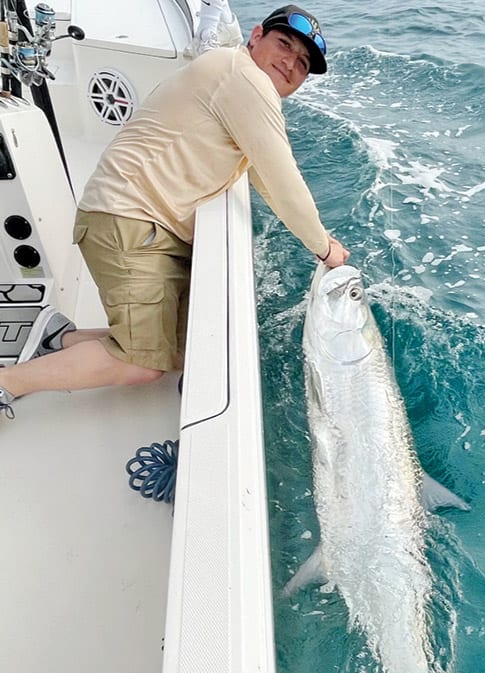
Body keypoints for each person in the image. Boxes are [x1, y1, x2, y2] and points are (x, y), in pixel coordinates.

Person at [0, 4, 349, 420]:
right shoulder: (244, 79)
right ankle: (9, 382)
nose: (291, 62)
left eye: (303, 62)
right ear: (255, 36)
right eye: (285, 44)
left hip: (140, 222)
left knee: (182, 350)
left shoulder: (235, 74)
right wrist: (324, 249)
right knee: (142, 364)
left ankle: (60, 338)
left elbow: (263, 174)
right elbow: (283, 178)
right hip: (128, 220)